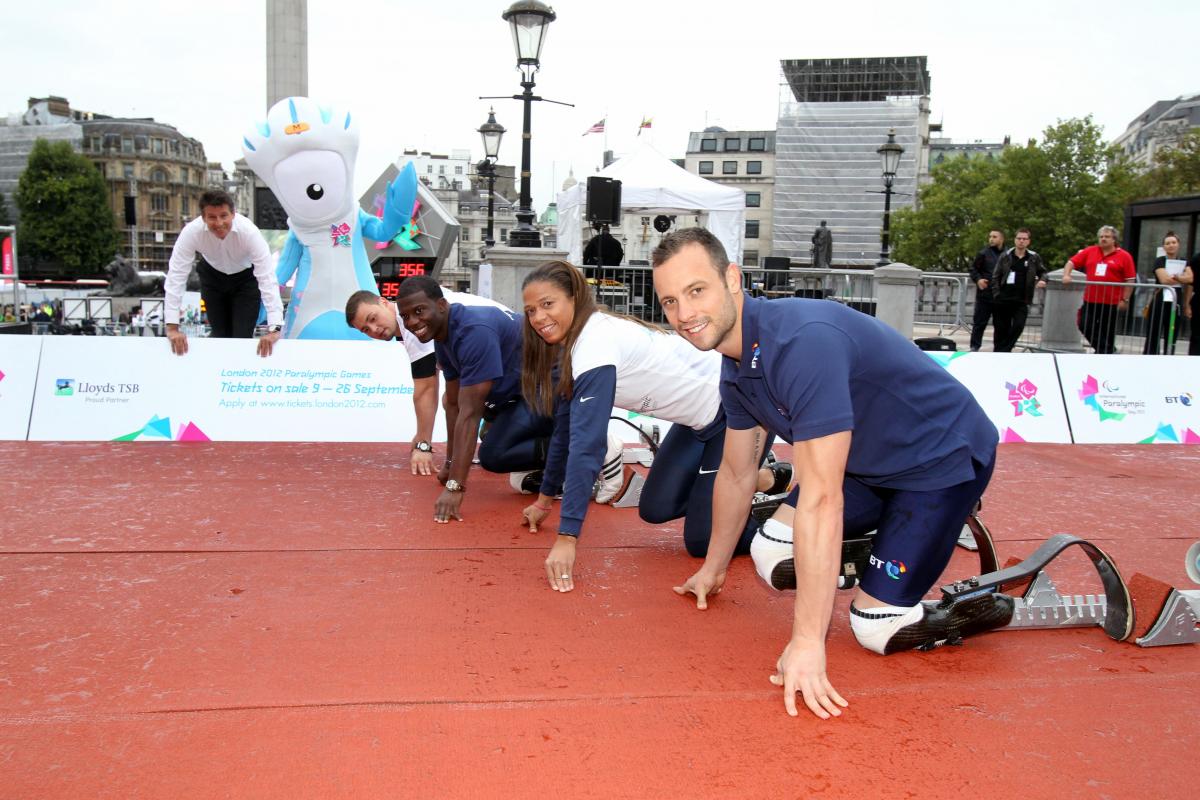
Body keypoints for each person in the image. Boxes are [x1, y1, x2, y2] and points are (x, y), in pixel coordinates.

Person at [652, 227, 1001, 721]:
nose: (684, 314)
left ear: (732, 278)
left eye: (695, 291)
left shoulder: (800, 344)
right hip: (865, 466)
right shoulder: (735, 365)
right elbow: (735, 474)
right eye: (670, 301)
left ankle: (981, 602)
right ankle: (881, 548)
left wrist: (807, 642)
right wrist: (713, 568)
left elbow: (820, 499)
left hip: (939, 461)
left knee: (874, 627)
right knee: (770, 549)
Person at [519, 261, 792, 593]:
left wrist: (568, 536)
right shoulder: (575, 347)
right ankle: (764, 479)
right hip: (695, 424)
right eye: (531, 310)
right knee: (654, 509)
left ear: (575, 298)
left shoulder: (594, 339)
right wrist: (544, 500)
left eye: (548, 304)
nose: (538, 318)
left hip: (736, 412)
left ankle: (780, 518)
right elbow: (564, 432)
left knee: (701, 540)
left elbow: (587, 446)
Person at [395, 276, 554, 524]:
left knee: (494, 454)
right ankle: (555, 461)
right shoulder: (444, 337)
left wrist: (455, 486)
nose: (412, 322)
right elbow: (454, 404)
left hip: (555, 387)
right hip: (521, 391)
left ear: (441, 305)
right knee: (490, 437)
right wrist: (449, 463)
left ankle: (586, 446)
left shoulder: (474, 331)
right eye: (405, 317)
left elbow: (470, 413)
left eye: (418, 311)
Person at [345, 287, 513, 477]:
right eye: (366, 330)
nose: (374, 329)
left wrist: (423, 444)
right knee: (456, 399)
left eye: (373, 318)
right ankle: (494, 420)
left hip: (514, 356)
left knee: (457, 402)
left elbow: (426, 387)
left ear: (384, 302)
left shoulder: (412, 322)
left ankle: (501, 422)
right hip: (504, 351)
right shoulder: (416, 312)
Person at [163, 188, 285, 357]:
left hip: (246, 280)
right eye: (212, 217)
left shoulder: (249, 233)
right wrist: (172, 326)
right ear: (203, 217)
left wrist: (274, 328)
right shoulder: (191, 232)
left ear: (233, 214)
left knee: (241, 337)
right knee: (219, 336)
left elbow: (267, 278)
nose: (219, 223)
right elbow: (176, 276)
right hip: (212, 278)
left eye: (223, 216)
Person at [1062, 226, 1136, 354]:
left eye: (1107, 237)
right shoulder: (1090, 251)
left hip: (1111, 302)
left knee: (1107, 332)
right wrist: (1067, 274)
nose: (1103, 239)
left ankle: (1104, 353)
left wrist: (1125, 299)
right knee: (1084, 324)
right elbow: (1071, 262)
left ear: (1114, 240)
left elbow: (1130, 280)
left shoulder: (1124, 256)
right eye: (1101, 237)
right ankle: (1106, 350)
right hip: (1091, 299)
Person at [990, 228, 1047, 352]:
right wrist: (996, 294)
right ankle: (999, 353)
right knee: (1001, 330)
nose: (1021, 241)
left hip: (1021, 299)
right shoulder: (1006, 255)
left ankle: (1004, 350)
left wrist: (1043, 280)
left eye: (1024, 239)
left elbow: (1043, 272)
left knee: (1018, 326)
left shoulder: (1033, 257)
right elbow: (996, 275)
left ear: (1028, 241)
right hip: (1003, 298)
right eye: (1019, 238)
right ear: (1015, 240)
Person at [1143, 231, 1192, 355]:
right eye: (1168, 243)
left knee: (1172, 334)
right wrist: (1181, 277)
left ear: (1178, 245)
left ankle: (1169, 357)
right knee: (1154, 333)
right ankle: (1150, 358)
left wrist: (1176, 278)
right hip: (1160, 300)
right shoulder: (1160, 261)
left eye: (1174, 242)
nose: (1171, 245)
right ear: (1164, 247)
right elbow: (1164, 279)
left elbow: (1190, 279)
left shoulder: (1184, 261)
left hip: (1176, 301)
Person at [969, 229, 1005, 351]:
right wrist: (978, 279)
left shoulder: (1008, 254)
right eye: (990, 236)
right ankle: (974, 346)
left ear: (1001, 239)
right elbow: (973, 269)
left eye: (995, 237)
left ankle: (999, 350)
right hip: (985, 294)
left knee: (1000, 325)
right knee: (979, 323)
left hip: (1001, 295)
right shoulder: (983, 253)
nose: (991, 239)